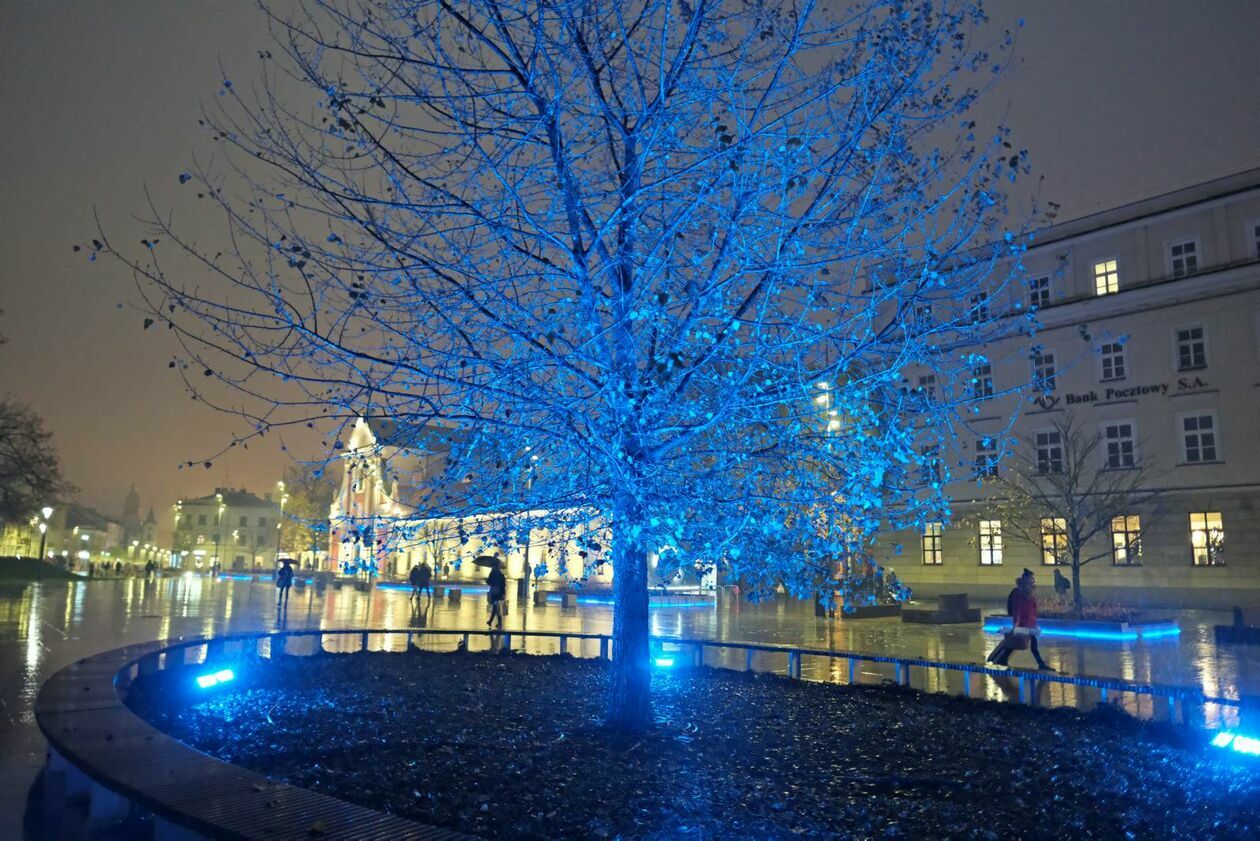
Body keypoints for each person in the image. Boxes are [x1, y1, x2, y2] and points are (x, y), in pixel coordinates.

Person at [988, 569, 1053, 670]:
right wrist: (1016, 624)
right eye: (1031, 578)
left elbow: (1032, 608)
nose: (1033, 580)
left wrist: (1035, 621)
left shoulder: (1030, 591)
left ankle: (1039, 663)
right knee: (1017, 642)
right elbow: (1016, 608)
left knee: (1028, 642)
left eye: (1033, 578)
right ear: (1026, 579)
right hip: (1023, 622)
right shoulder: (1018, 592)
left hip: (1030, 621)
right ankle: (1001, 658)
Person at [486, 560, 507, 629]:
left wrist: (487, 580)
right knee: (496, 607)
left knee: (496, 607)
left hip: (495, 592)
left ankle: (492, 621)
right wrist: (503, 593)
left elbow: (489, 581)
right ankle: (494, 621)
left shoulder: (493, 573)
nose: (492, 568)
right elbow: (503, 584)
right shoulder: (500, 574)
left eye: (492, 566)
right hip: (498, 592)